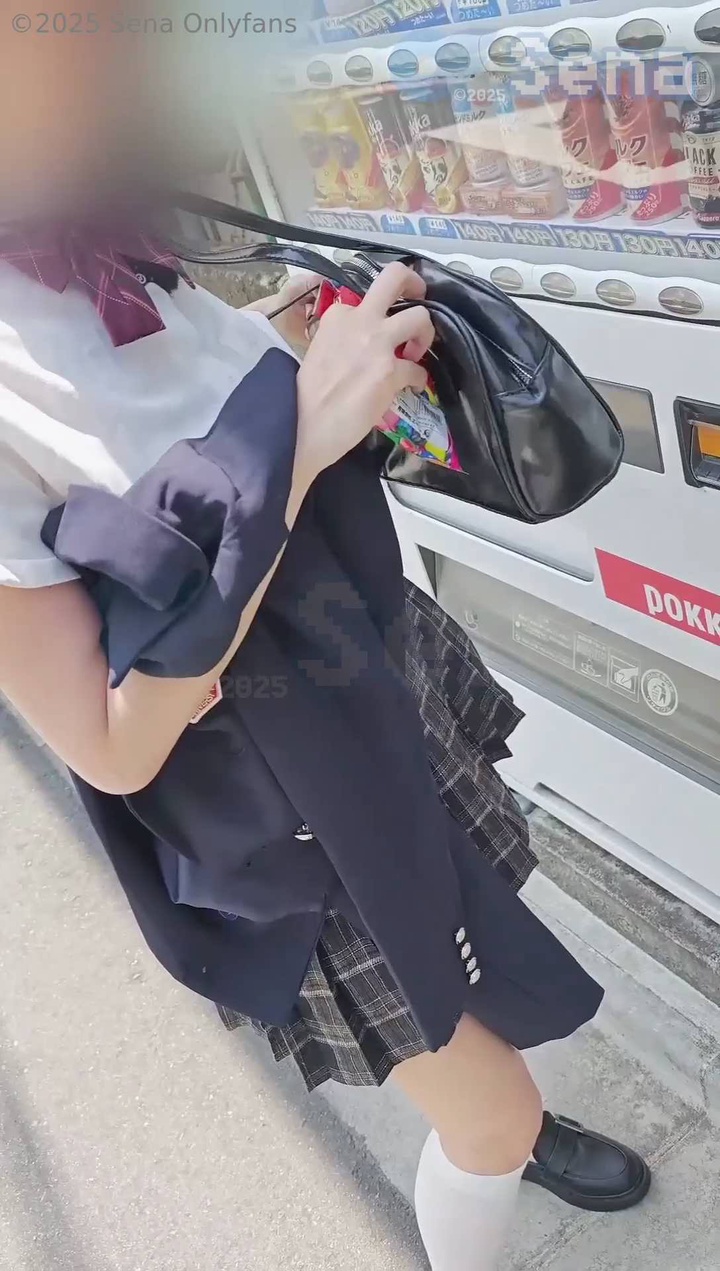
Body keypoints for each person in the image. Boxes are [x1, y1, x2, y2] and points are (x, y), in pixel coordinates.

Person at [0, 22, 650, 1271]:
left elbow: (177, 436)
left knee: (472, 948)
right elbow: (111, 744)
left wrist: (305, 350)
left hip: (369, 681)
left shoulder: (95, 229)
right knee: (487, 1103)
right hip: (291, 808)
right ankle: (495, 1138)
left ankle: (496, 1116)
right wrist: (298, 434)